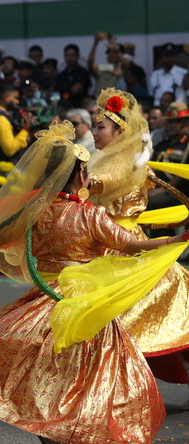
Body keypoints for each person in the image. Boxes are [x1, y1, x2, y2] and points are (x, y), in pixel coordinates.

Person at [0, 120, 182, 444]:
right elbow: (132, 245)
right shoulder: (89, 215)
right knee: (93, 376)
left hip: (40, 303)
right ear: (78, 175)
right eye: (85, 170)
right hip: (82, 306)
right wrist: (174, 241)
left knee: (48, 371)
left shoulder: (34, 212)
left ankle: (53, 433)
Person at [88, 88, 189, 403]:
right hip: (106, 241)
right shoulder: (116, 160)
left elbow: (95, 185)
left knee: (119, 319)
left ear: (120, 131)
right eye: (94, 125)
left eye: (100, 127)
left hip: (123, 246)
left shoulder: (116, 165)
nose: (94, 131)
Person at [0, 84, 30, 163]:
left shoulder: (3, 115)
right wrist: (26, 130)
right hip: (10, 167)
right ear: (6, 97)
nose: (17, 102)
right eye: (15, 98)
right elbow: (9, 149)